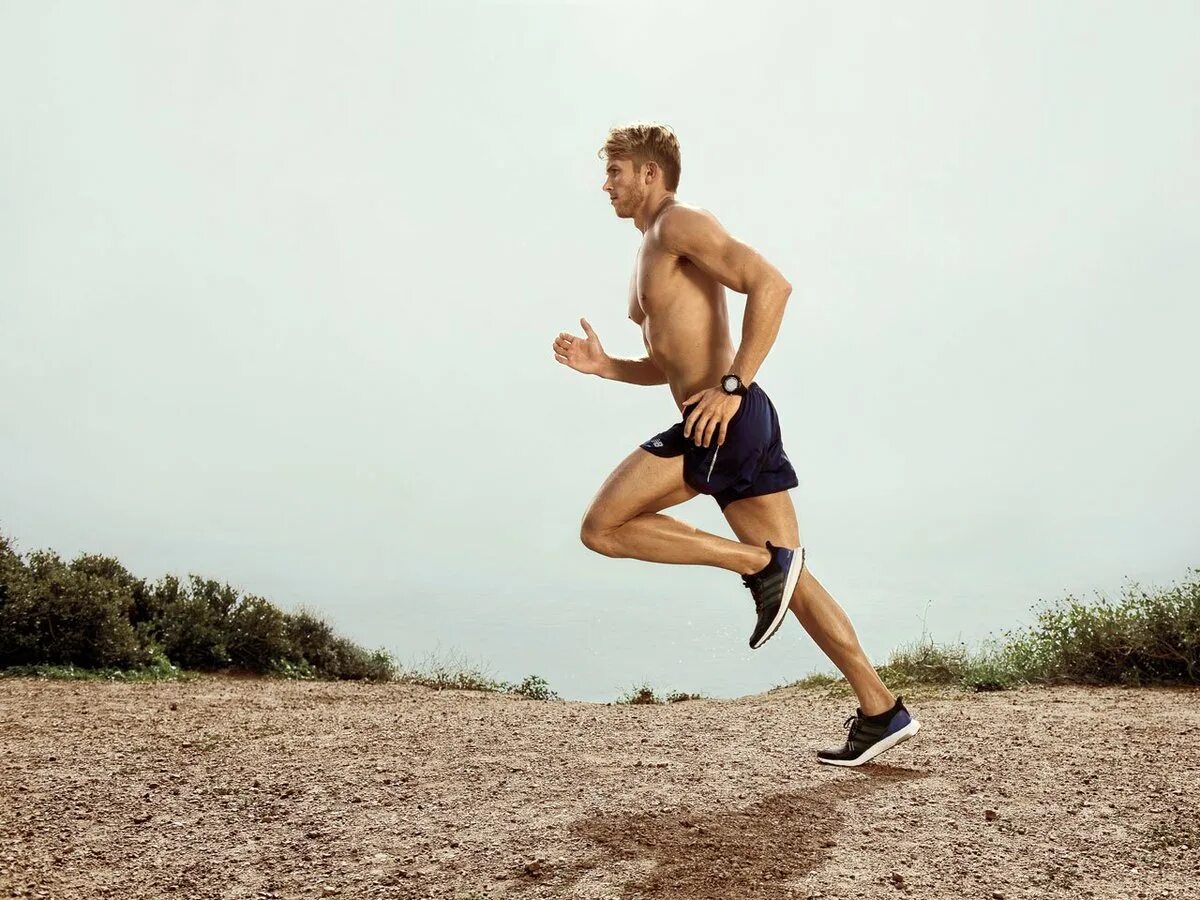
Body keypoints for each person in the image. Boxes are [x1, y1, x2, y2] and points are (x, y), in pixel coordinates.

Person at [552, 122, 920, 766]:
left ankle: (754, 567)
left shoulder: (678, 224)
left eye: (616, 170)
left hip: (720, 419)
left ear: (650, 173)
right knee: (795, 575)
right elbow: (665, 362)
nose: (605, 182)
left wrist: (731, 384)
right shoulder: (648, 250)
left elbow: (771, 284)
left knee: (604, 528)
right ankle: (880, 708)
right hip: (726, 420)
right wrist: (607, 365)